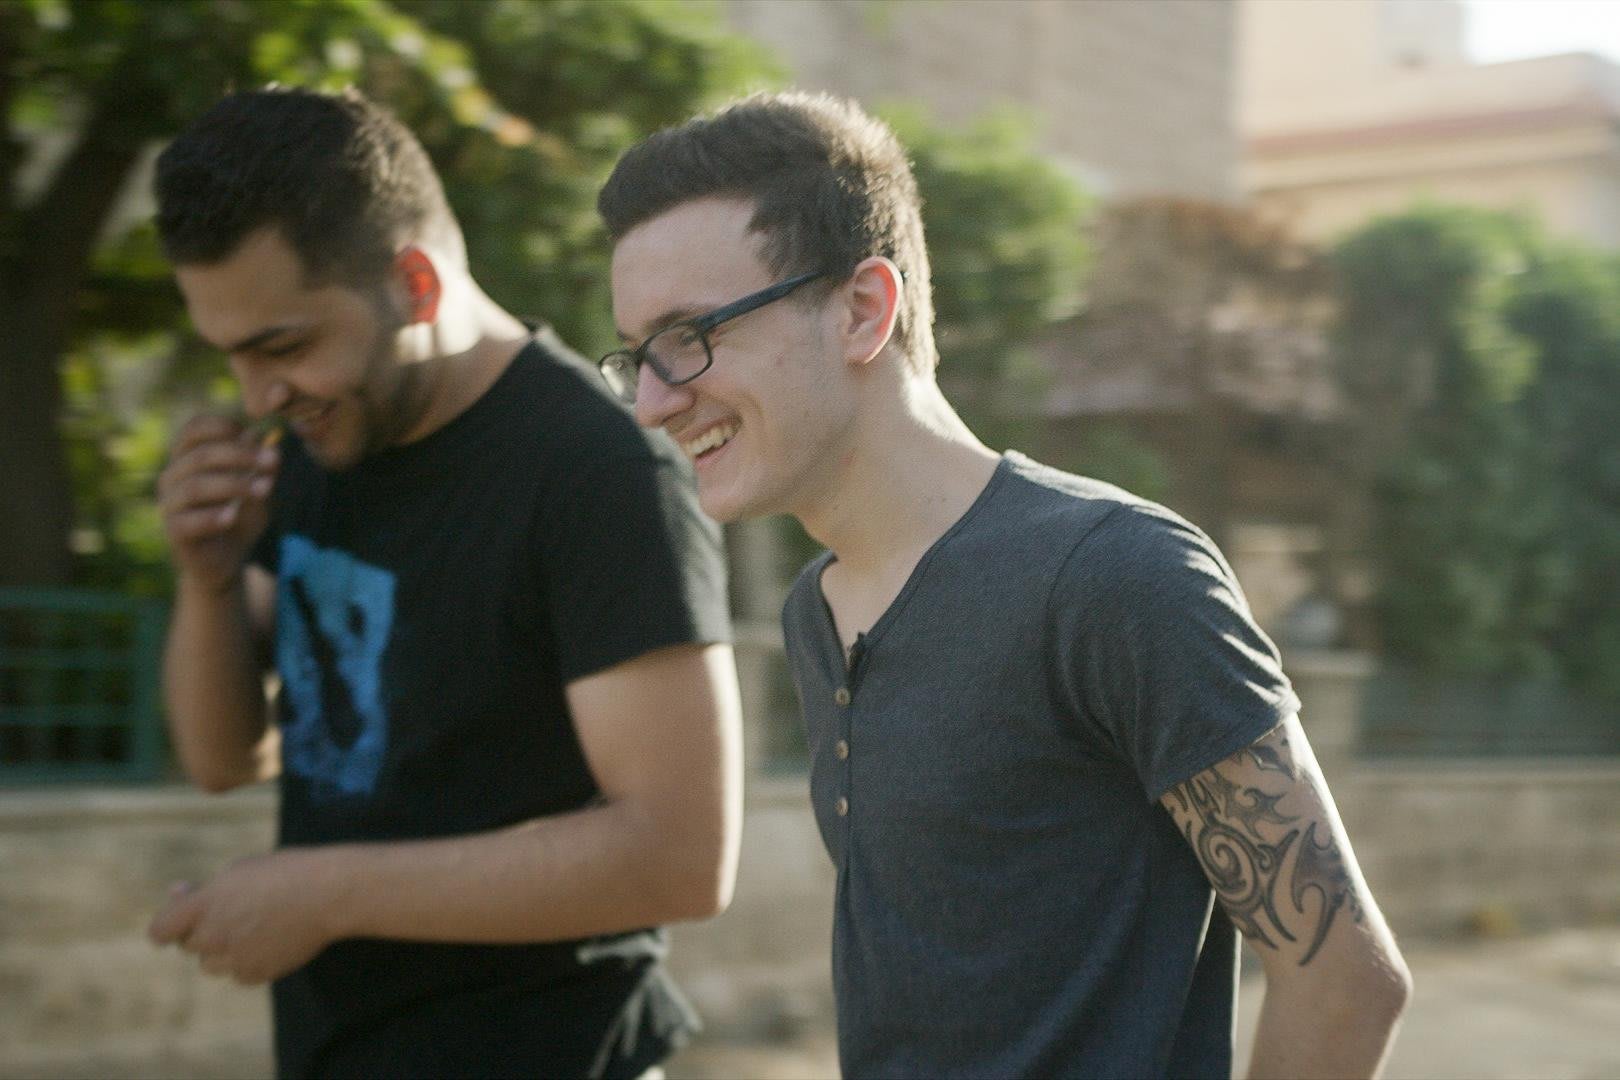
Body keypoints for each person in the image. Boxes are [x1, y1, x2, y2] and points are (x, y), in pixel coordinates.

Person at [597, 91, 1412, 1079]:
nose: (651, 402)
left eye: (691, 335)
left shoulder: (1115, 577)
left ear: (862, 311)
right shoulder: (816, 611)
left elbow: (1344, 980)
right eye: (638, 357)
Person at [146, 86, 741, 1080]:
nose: (257, 396)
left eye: (283, 346)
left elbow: (679, 856)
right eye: (232, 357)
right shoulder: (324, 435)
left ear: (415, 284)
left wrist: (320, 894)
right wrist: (206, 583)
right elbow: (225, 757)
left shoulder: (596, 470)